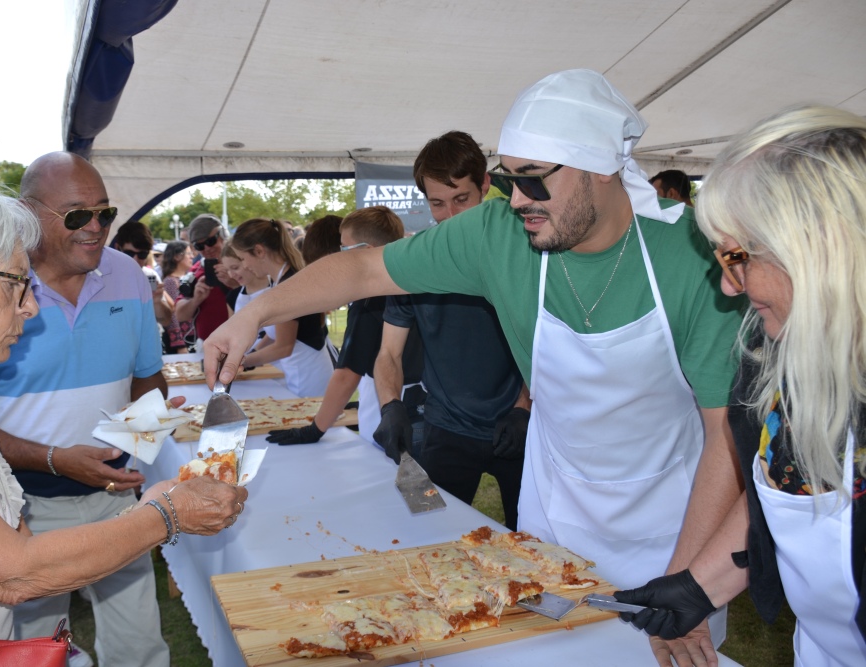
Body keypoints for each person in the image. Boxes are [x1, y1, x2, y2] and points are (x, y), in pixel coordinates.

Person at [203, 69, 745, 653]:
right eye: (509, 179)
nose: (516, 200)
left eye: (534, 180)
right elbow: (362, 268)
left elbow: (726, 437)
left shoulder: (692, 255)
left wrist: (690, 582)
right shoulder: (499, 234)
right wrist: (255, 313)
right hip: (554, 513)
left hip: (673, 523)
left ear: (600, 166)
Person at [0, 174, 246, 646]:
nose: (29, 307)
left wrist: (148, 501)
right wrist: (165, 514)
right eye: (14, 285)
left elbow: (20, 550)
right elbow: (13, 574)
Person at [615, 106, 866, 667]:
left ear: (818, 248)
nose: (729, 289)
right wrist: (698, 588)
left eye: (737, 258)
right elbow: (780, 484)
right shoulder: (775, 348)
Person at [0, 152, 220, 667]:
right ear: (27, 212)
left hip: (113, 495)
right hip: (19, 508)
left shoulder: (127, 275)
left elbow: (148, 373)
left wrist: (137, 439)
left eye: (106, 212)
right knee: (31, 645)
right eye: (79, 215)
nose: (97, 227)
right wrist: (56, 459)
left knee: (141, 644)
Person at [371, 130, 529, 531]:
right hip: (443, 428)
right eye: (437, 204)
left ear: (485, 185)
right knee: (423, 532)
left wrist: (525, 405)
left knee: (534, 544)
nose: (452, 216)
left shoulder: (522, 252)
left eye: (462, 199)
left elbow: (549, 344)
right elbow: (388, 354)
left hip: (519, 425)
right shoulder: (414, 261)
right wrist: (390, 406)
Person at [266, 206, 422, 447]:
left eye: (343, 248)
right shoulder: (405, 280)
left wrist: (315, 429)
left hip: (393, 406)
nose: (339, 255)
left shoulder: (369, 301)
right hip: (412, 400)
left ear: (366, 251)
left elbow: (347, 375)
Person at [229, 218, 334, 397]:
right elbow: (275, 335)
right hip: (303, 371)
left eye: (243, 258)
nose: (245, 265)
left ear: (259, 251)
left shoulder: (288, 285)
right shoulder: (284, 278)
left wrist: (236, 362)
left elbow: (284, 347)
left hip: (308, 376)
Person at [174, 214, 237, 345]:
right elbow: (180, 315)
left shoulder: (243, 263)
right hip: (209, 346)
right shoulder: (195, 272)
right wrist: (195, 300)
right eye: (199, 246)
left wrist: (235, 285)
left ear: (223, 235)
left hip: (244, 342)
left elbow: (263, 299)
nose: (207, 248)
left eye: (210, 241)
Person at [112, 221, 173, 328]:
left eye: (142, 254)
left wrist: (157, 302)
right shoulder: (103, 278)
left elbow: (166, 321)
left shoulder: (149, 275)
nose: (135, 259)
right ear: (118, 248)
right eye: (129, 253)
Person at [159, 240, 193, 353]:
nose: (192, 256)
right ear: (177, 257)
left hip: (191, 336)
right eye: (188, 253)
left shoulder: (187, 278)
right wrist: (179, 343)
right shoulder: (170, 281)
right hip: (182, 340)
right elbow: (173, 313)